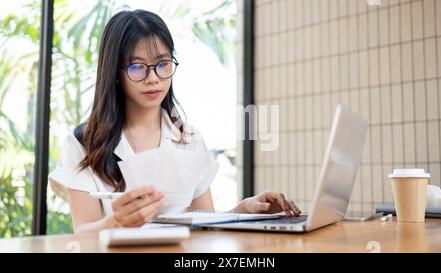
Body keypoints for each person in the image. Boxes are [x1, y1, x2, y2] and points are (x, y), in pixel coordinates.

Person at [48, 10, 301, 234]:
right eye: (138, 67)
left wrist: (245, 210)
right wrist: (114, 222)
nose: (153, 78)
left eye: (162, 64)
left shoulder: (189, 139)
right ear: (115, 72)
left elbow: (204, 222)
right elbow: (81, 233)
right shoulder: (84, 143)